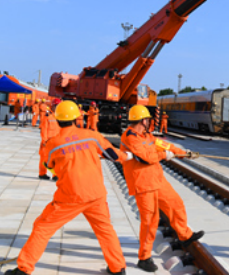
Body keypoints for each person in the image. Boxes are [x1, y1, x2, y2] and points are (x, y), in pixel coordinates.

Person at [3, 100, 133, 275]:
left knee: (42, 228)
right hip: (96, 195)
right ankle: (118, 269)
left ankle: (24, 269)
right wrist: (128, 156)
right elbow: (112, 155)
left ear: (57, 119)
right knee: (105, 230)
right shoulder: (91, 135)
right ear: (77, 117)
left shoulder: (53, 144)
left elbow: (49, 165)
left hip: (69, 197)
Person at [120, 105, 203, 273]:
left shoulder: (147, 135)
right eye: (148, 120)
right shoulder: (130, 137)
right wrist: (164, 155)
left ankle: (185, 236)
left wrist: (183, 153)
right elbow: (146, 158)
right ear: (143, 120)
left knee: (176, 204)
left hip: (156, 179)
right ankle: (144, 258)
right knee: (150, 221)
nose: (149, 122)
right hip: (143, 184)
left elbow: (164, 145)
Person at [38, 99, 61, 180]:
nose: (58, 108)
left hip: (56, 142)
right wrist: (44, 141)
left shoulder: (60, 116)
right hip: (47, 141)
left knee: (56, 159)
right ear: (53, 106)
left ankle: (55, 175)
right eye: (56, 106)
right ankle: (42, 174)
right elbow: (44, 129)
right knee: (44, 158)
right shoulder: (48, 116)